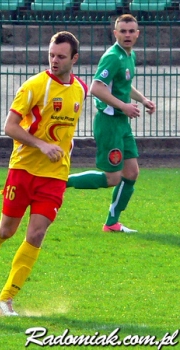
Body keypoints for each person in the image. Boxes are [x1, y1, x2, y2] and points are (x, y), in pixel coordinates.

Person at [0, 31, 87, 316]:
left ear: (75, 58)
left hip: (55, 176)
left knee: (37, 233)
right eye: (51, 55)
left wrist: (63, 145)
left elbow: (66, 129)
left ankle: (5, 299)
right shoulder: (35, 85)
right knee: (7, 229)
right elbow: (10, 127)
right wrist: (41, 144)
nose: (54, 60)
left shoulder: (80, 90)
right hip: (23, 169)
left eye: (61, 56)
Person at [66, 14, 155, 233]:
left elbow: (123, 84)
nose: (127, 35)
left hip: (121, 123)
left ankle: (112, 223)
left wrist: (142, 100)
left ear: (137, 34)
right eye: (122, 31)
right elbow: (96, 87)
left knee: (132, 172)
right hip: (109, 122)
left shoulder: (129, 56)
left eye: (131, 31)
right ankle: (62, 182)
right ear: (115, 33)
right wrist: (123, 106)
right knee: (112, 178)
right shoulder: (113, 56)